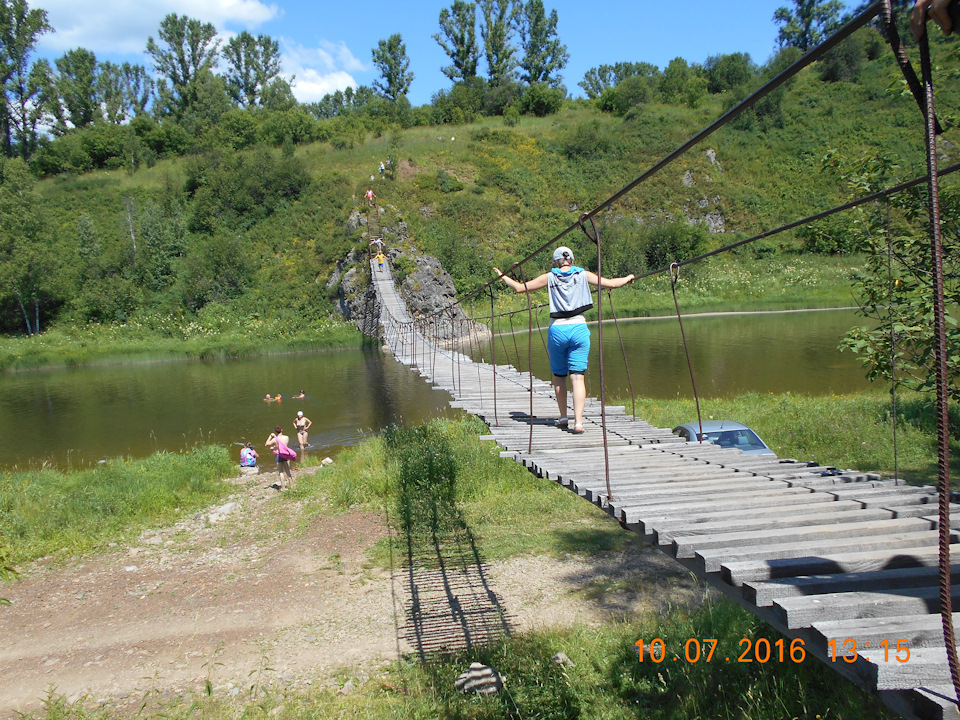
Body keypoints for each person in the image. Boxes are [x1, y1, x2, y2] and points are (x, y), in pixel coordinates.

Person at [494, 246, 635, 435]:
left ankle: (562, 417)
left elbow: (520, 288)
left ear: (555, 262)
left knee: (560, 377)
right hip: (579, 329)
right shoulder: (583, 274)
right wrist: (628, 278)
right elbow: (612, 284)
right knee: (577, 377)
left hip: (557, 330)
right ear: (572, 260)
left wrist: (502, 276)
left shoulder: (549, 277)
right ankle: (578, 423)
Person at [265, 425, 294, 490]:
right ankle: (292, 486)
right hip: (286, 454)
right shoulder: (286, 437)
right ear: (282, 430)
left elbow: (266, 444)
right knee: (288, 471)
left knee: (281, 472)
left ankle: (283, 487)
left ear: (275, 431)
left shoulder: (275, 439)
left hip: (279, 455)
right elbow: (284, 445)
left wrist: (270, 436)